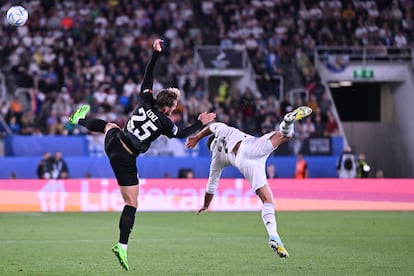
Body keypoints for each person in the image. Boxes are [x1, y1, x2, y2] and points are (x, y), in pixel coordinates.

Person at [68, 39, 216, 271]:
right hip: (126, 158)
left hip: (114, 143)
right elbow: (181, 134)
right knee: (132, 203)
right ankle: (122, 245)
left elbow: (148, 74)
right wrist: (199, 122)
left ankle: (79, 120)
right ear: (168, 107)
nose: (174, 110)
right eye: (174, 107)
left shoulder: (145, 98)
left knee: (109, 126)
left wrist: (155, 53)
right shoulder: (165, 122)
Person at [186, 105, 313, 259]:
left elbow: (210, 187)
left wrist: (206, 205)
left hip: (244, 164)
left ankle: (275, 237)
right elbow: (211, 126)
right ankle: (287, 122)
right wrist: (196, 138)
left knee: (267, 200)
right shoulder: (223, 129)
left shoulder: (216, 159)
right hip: (250, 146)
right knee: (286, 135)